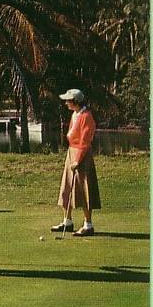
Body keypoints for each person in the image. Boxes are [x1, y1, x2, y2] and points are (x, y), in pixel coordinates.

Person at [52, 89, 102, 237]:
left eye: (68, 100)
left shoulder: (87, 116)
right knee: (67, 187)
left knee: (84, 189)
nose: (66, 103)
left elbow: (85, 141)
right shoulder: (75, 114)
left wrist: (77, 160)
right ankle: (67, 221)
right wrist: (72, 157)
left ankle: (88, 225)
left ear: (76, 102)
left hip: (82, 156)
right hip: (72, 152)